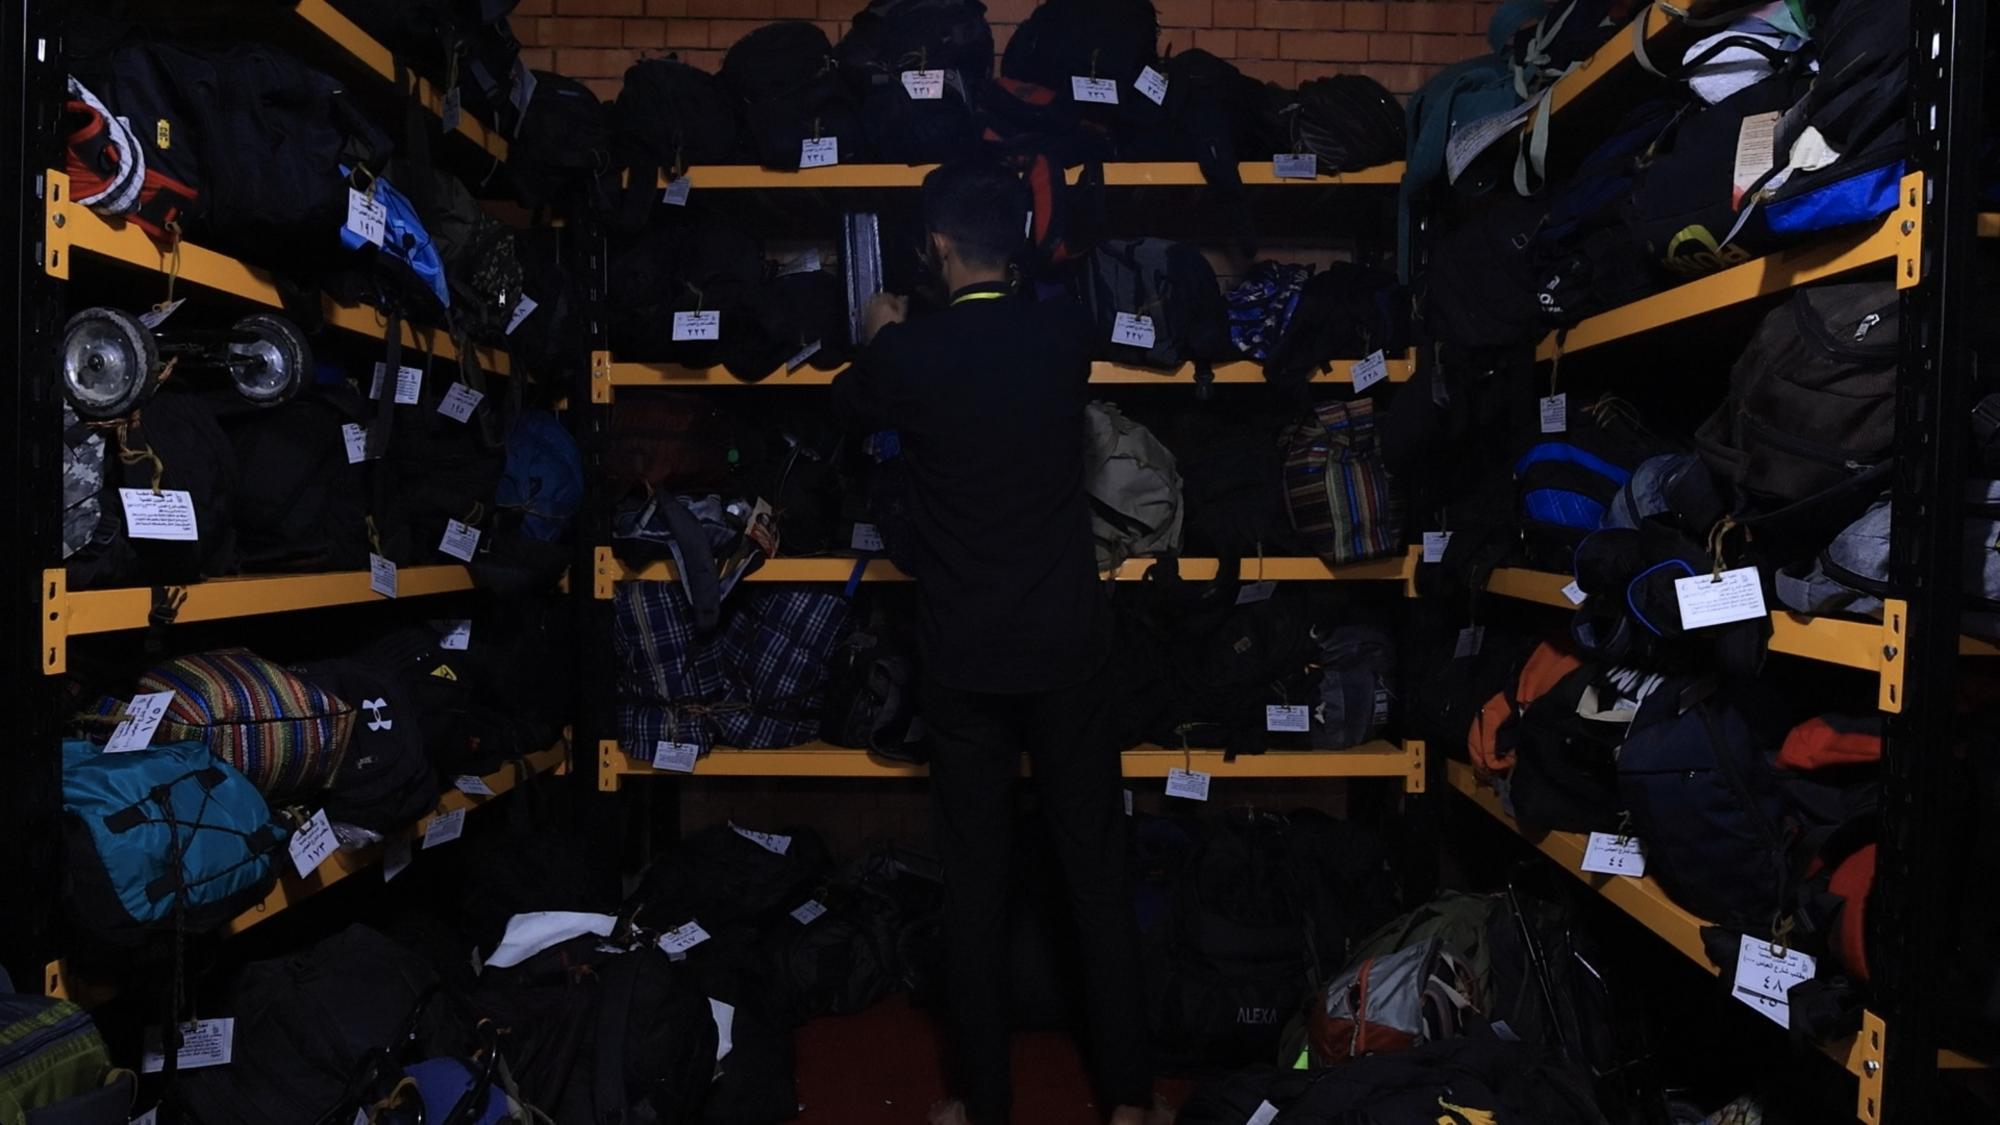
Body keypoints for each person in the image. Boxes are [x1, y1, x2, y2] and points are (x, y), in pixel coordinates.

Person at [831, 160, 1162, 1125]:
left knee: (974, 883)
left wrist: (879, 334)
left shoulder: (909, 356)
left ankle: (982, 1105)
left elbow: (848, 406)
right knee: (1095, 870)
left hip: (966, 653)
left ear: (937, 247)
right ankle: (1131, 1102)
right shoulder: (1061, 336)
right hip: (1068, 643)